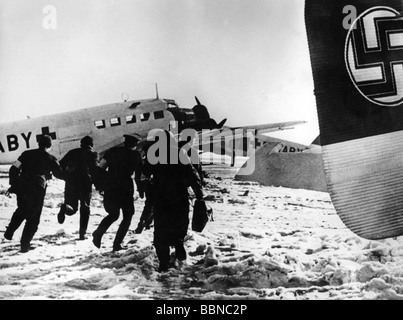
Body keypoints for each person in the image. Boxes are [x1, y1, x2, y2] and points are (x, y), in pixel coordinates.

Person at [143, 130, 204, 272]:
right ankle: (178, 242)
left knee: (160, 230)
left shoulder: (154, 153)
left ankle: (163, 263)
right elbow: (192, 174)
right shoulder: (180, 152)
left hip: (160, 197)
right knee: (179, 223)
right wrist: (199, 193)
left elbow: (145, 172)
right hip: (179, 196)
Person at [4, 135, 64, 253]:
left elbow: (13, 169)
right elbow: (59, 174)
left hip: (22, 187)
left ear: (38, 143)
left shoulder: (26, 154)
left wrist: (14, 185)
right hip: (37, 190)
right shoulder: (50, 158)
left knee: (22, 209)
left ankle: (10, 231)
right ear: (49, 145)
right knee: (33, 219)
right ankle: (24, 246)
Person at [92, 134, 143, 251]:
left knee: (113, 214)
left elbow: (100, 168)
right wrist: (141, 190)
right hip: (126, 187)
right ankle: (117, 244)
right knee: (128, 216)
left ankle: (98, 233)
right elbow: (139, 176)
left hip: (111, 186)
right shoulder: (136, 155)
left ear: (125, 142)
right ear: (135, 144)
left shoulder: (112, 151)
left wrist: (101, 185)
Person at [57, 136, 98, 240]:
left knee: (72, 208)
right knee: (85, 208)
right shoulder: (93, 155)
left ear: (81, 144)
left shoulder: (72, 152)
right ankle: (82, 233)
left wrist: (66, 176)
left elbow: (60, 165)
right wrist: (98, 185)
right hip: (85, 184)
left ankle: (65, 208)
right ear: (91, 145)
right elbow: (95, 171)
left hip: (71, 183)